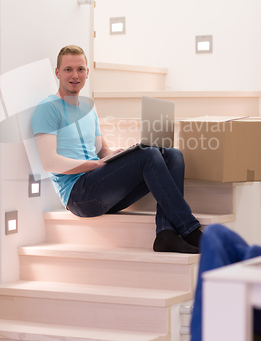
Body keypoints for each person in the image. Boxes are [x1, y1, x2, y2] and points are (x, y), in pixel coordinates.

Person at [32, 45, 202, 253]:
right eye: (68, 69)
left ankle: (166, 234)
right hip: (79, 196)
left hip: (100, 187)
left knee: (172, 155)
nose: (75, 75)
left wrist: (118, 156)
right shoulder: (48, 109)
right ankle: (190, 229)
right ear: (57, 73)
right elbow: (50, 162)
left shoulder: (88, 108)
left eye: (80, 69)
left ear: (87, 72)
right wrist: (94, 164)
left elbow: (100, 149)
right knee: (148, 156)